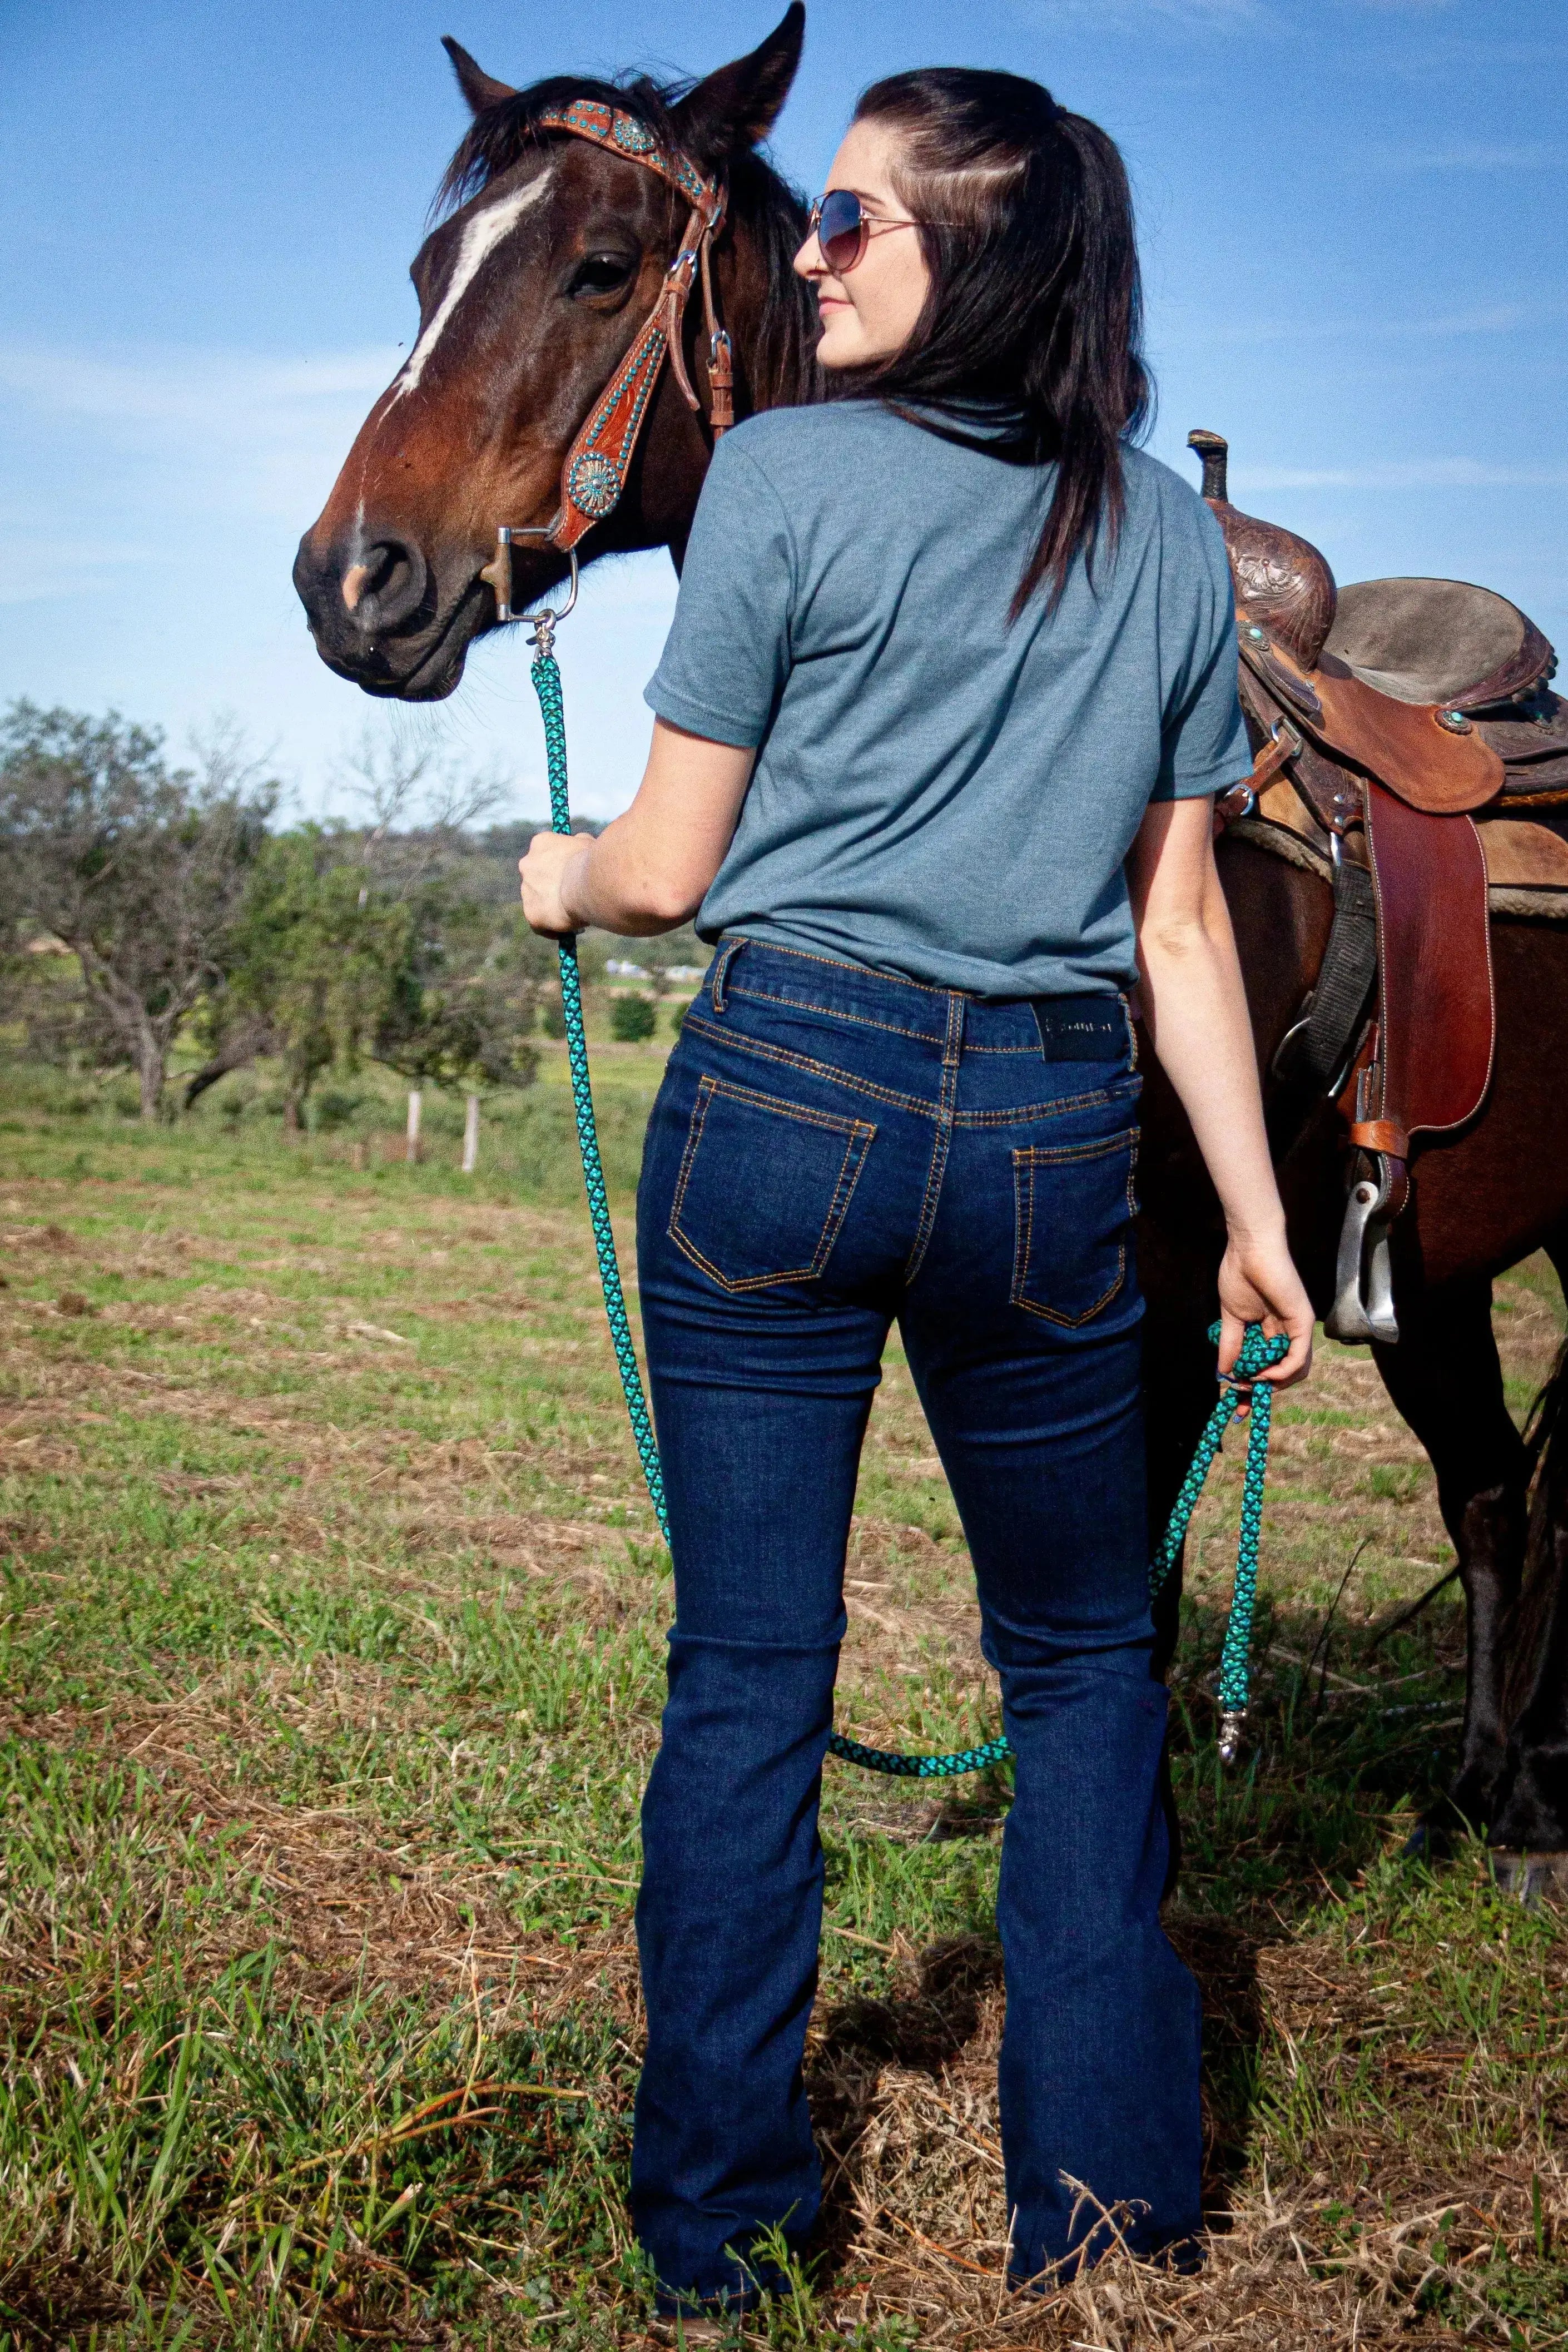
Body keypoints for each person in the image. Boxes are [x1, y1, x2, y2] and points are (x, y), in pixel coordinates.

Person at [520, 64, 1314, 2335]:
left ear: (983, 255)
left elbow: (666, 873)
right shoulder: (1165, 532)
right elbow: (1175, 934)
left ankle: (725, 2232)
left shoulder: (775, 479)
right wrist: (1252, 1220)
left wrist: (552, 877)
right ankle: (1111, 2213)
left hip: (786, 1091)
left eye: (857, 218)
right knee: (1079, 1665)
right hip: (1058, 1139)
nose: (810, 250)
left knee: (749, 1671)